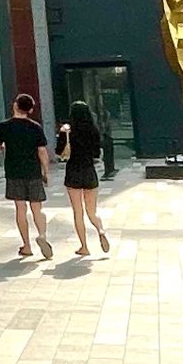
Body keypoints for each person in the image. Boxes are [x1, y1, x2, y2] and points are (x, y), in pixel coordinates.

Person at [0, 93, 54, 261]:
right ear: (30, 110)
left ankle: (26, 245)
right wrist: (46, 172)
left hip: (14, 172)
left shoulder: (4, 126)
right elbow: (42, 152)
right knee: (37, 208)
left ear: (15, 106)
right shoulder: (35, 127)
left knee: (20, 209)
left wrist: (4, 148)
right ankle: (42, 235)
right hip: (33, 172)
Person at [57, 101, 108, 257]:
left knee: (78, 212)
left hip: (73, 171)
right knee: (92, 211)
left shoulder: (67, 130)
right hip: (89, 171)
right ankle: (100, 230)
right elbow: (96, 154)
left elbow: (59, 152)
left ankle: (84, 246)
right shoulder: (93, 130)